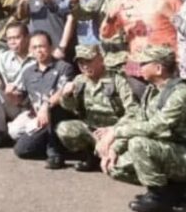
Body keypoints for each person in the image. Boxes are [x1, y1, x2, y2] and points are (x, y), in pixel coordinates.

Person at [96, 45, 186, 212]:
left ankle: (159, 196)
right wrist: (115, 147)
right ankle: (174, 191)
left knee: (139, 144)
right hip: (171, 150)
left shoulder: (180, 93)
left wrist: (115, 132)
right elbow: (139, 119)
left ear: (158, 68)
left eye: (144, 64)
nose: (139, 68)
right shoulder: (152, 90)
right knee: (115, 166)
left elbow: (155, 127)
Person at [56, 44, 137, 172]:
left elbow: (133, 112)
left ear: (100, 59)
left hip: (114, 130)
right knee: (64, 129)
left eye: (88, 61)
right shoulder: (79, 80)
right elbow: (70, 107)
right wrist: (67, 96)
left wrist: (113, 130)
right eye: (81, 62)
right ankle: (91, 156)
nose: (84, 66)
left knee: (119, 167)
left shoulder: (117, 80)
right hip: (91, 130)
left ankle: (112, 154)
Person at [8, 31, 75, 169]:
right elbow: (23, 100)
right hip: (38, 116)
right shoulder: (28, 72)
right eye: (35, 47)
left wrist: (46, 106)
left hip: (59, 114)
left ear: (50, 47)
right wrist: (12, 95)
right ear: (30, 50)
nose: (39, 50)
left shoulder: (64, 67)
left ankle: (55, 154)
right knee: (21, 150)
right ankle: (52, 145)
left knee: (53, 111)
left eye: (42, 46)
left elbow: (61, 92)